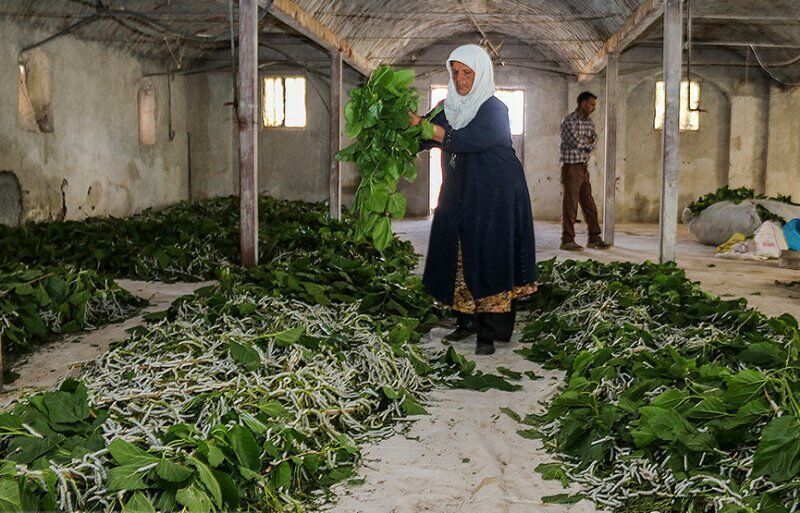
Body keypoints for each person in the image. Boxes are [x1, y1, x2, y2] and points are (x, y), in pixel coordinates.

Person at [409, 44, 538, 356]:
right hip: (459, 190)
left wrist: (431, 130)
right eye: (455, 73)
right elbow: (423, 135)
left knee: (489, 253)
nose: (460, 79)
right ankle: (465, 320)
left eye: (467, 72)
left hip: (496, 192)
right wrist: (404, 125)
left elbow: (468, 140)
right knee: (457, 252)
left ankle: (489, 331)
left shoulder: (495, 109)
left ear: (481, 74)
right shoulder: (445, 106)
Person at [559, 91, 611, 252]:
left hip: (583, 167)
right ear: (582, 103)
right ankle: (567, 240)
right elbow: (575, 141)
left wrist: (586, 142)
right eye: (592, 104)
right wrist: (586, 142)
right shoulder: (569, 121)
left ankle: (594, 238)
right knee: (571, 205)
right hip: (571, 167)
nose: (594, 108)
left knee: (589, 204)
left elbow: (594, 140)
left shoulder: (589, 122)